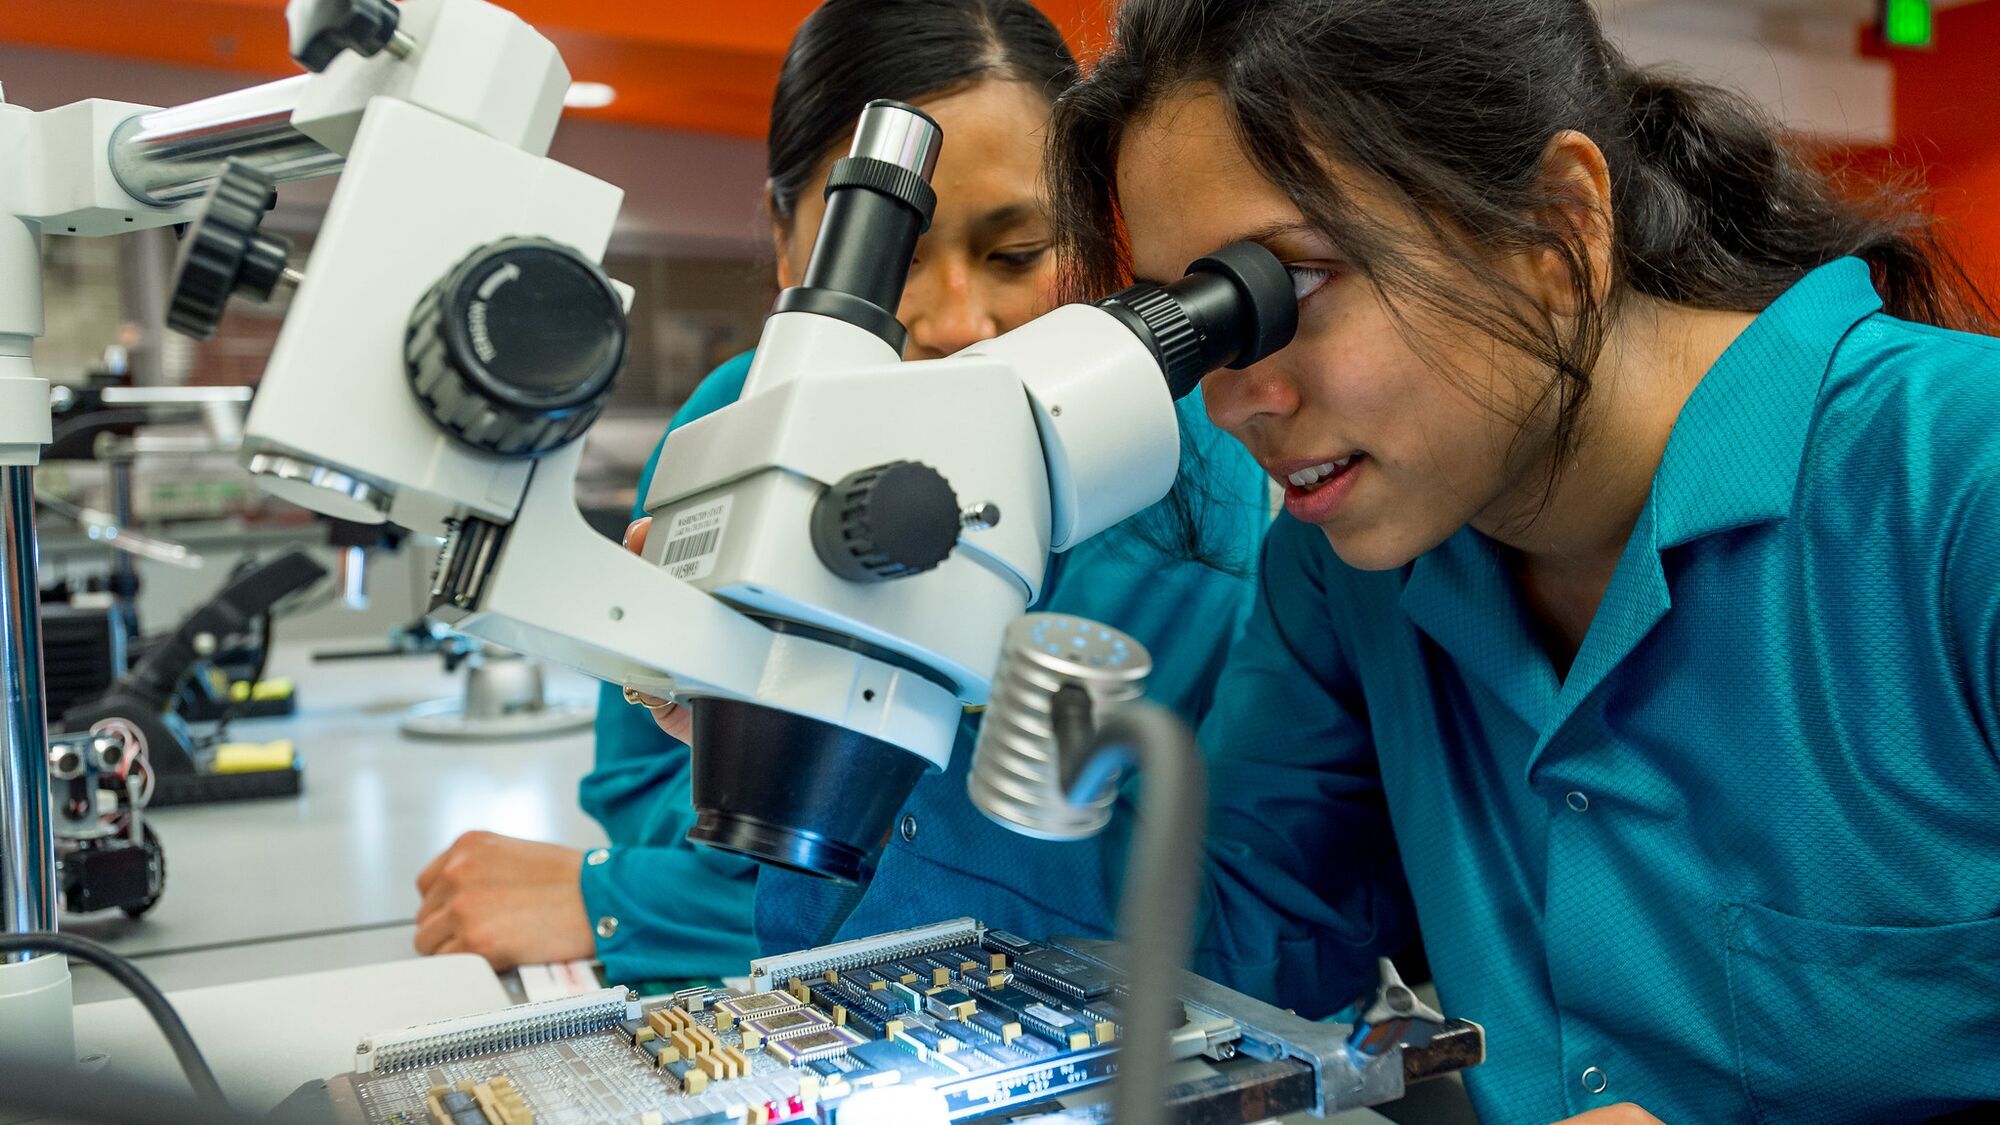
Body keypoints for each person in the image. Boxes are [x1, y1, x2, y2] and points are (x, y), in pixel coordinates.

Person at [1035, 1, 2000, 1123]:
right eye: (1199, 325)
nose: (1238, 395)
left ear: (1557, 225)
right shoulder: (1345, 569)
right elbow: (1225, 951)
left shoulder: (1959, 488)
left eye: (1289, 285)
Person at [414, 0, 1269, 985]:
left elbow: (1238, 901)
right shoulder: (736, 420)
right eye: (892, 255)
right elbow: (647, 782)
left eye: (1016, 252)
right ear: (788, 246)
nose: (956, 322)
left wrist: (623, 903)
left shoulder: (1207, 478)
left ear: (1092, 238)